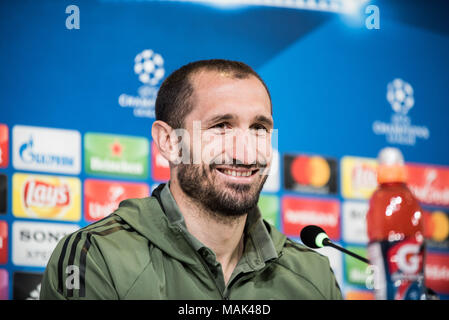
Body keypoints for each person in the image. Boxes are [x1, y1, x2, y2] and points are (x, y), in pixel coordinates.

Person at [40, 59, 342, 300]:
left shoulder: (313, 274)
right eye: (222, 126)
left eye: (259, 129)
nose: (246, 152)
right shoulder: (97, 257)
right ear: (170, 142)